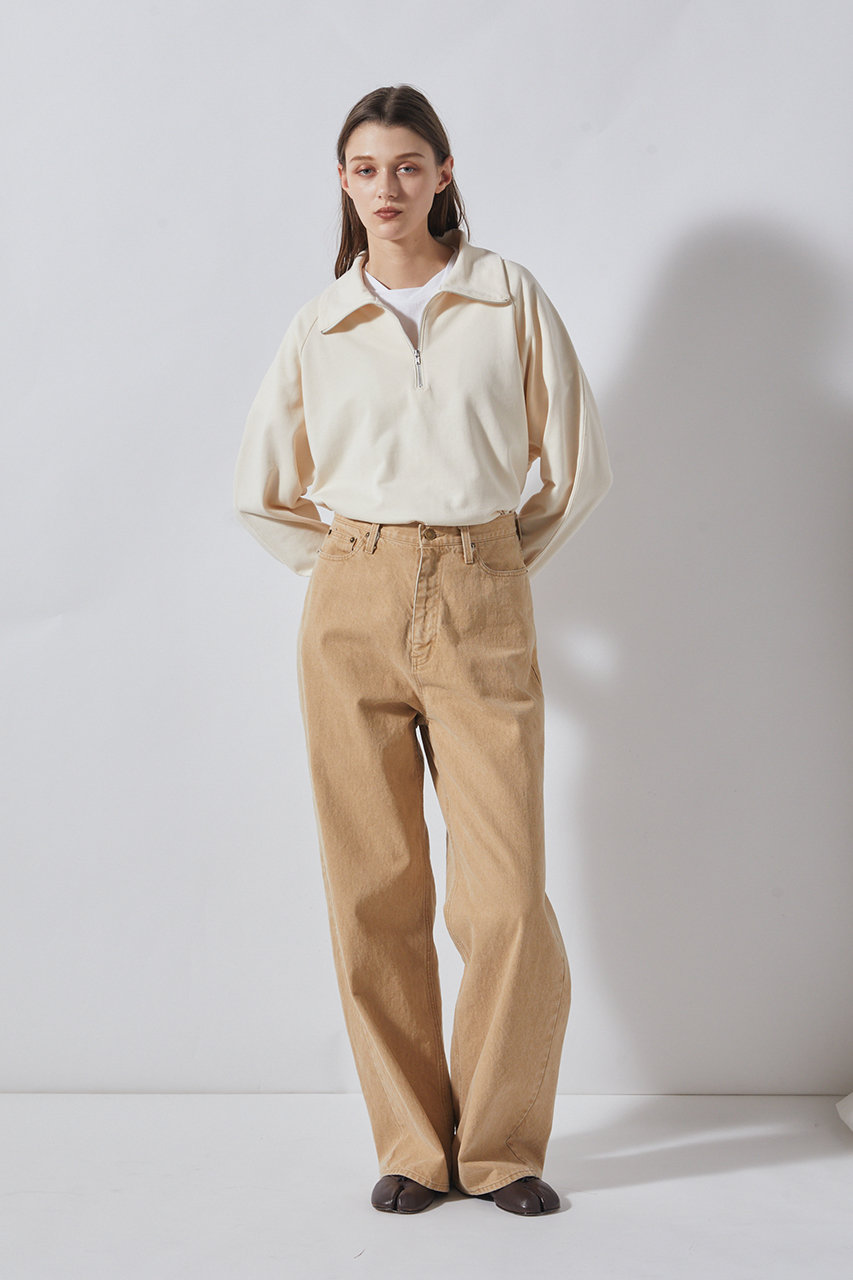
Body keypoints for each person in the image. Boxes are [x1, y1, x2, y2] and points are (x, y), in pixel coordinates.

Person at [233, 84, 613, 1217]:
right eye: (364, 169)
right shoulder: (322, 322)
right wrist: (353, 568)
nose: (385, 187)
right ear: (342, 183)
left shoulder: (507, 296)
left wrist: (492, 563)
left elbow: (577, 468)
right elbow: (261, 492)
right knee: (373, 888)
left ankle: (498, 1147)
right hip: (348, 599)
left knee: (506, 895)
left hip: (482, 585)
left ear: (444, 172)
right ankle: (411, 1142)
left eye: (406, 165)